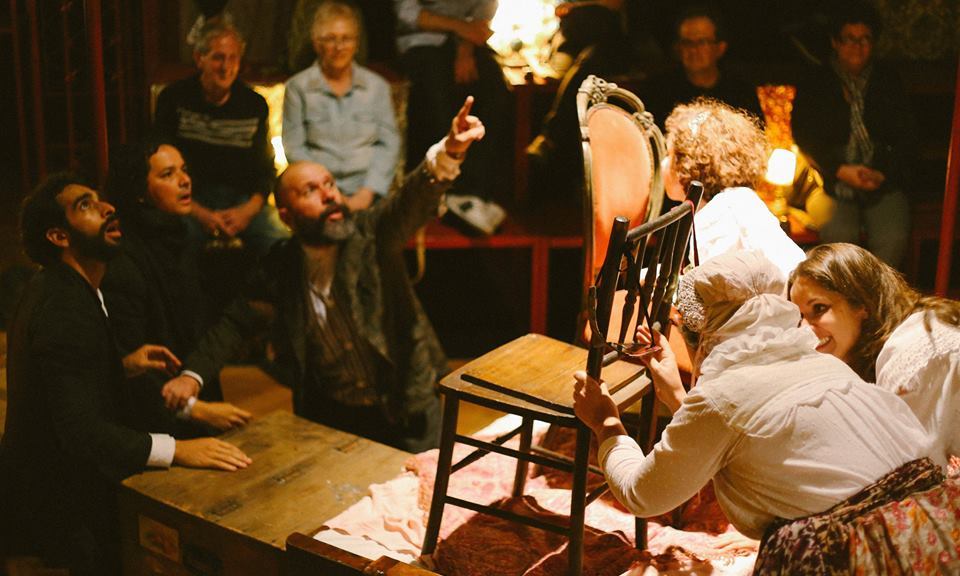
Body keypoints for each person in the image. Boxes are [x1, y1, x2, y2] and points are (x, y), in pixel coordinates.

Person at [573, 250, 960, 572]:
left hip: (861, 561)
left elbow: (644, 494)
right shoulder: (825, 365)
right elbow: (746, 434)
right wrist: (679, 395)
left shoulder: (722, 399)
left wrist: (606, 422)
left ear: (708, 333)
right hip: (932, 537)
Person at [164, 97, 485, 452]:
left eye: (329, 184)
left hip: (405, 408)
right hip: (333, 419)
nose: (328, 195)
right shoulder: (280, 265)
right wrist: (192, 377)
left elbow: (410, 200)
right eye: (310, 191)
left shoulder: (371, 234)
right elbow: (235, 323)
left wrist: (449, 152)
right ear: (286, 216)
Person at [0, 174, 250, 575]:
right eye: (85, 205)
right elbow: (80, 431)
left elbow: (63, 380)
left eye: (100, 200)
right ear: (59, 237)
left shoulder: (67, 288)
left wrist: (121, 366)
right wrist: (177, 449)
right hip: (54, 520)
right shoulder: (64, 307)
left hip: (56, 503)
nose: (107, 208)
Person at [101, 141, 252, 434]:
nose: (185, 180)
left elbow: (205, 326)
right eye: (167, 174)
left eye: (184, 170)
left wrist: (195, 378)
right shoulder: (124, 258)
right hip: (153, 415)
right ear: (139, 191)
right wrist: (193, 409)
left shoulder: (182, 236)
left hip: (191, 385)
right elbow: (129, 363)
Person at [789, 242, 960, 472]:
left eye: (819, 308)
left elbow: (916, 472)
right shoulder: (904, 335)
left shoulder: (914, 353)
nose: (804, 329)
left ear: (862, 304)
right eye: (799, 317)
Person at [792, 3, 917, 268]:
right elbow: (805, 135)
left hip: (881, 178)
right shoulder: (817, 82)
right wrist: (840, 170)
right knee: (840, 233)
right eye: (849, 39)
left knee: (893, 235)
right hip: (831, 181)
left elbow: (906, 136)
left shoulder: (887, 81)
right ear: (835, 42)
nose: (857, 47)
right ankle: (846, 292)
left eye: (865, 39)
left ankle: (879, 292)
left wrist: (882, 173)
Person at [154, 20, 289, 254]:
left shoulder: (254, 104)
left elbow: (265, 169)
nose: (226, 67)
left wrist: (246, 212)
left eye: (233, 58)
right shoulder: (174, 98)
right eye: (218, 58)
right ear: (200, 59)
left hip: (242, 201)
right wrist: (200, 213)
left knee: (279, 241)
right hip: (189, 199)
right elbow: (160, 162)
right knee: (176, 241)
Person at [662, 98, 804, 277]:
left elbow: (718, 288)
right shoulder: (735, 201)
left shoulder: (719, 216)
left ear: (689, 163)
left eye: (669, 154)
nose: (664, 162)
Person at [283, 0, 400, 212]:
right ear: (316, 43)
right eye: (331, 39)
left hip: (369, 195)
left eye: (346, 38)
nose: (339, 47)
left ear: (356, 43)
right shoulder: (297, 88)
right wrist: (327, 191)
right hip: (318, 195)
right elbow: (294, 147)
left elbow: (389, 144)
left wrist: (367, 193)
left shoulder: (377, 88)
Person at [394, 0, 511, 208]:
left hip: (466, 42)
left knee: (496, 87)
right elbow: (407, 13)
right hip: (422, 41)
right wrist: (460, 26)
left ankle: (475, 191)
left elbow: (482, 15)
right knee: (435, 90)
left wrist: (465, 51)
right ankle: (436, 188)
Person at [641, 4, 761, 130]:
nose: (693, 50)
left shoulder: (740, 92)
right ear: (678, 49)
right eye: (687, 42)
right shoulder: (659, 92)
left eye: (702, 42)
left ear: (720, 48)